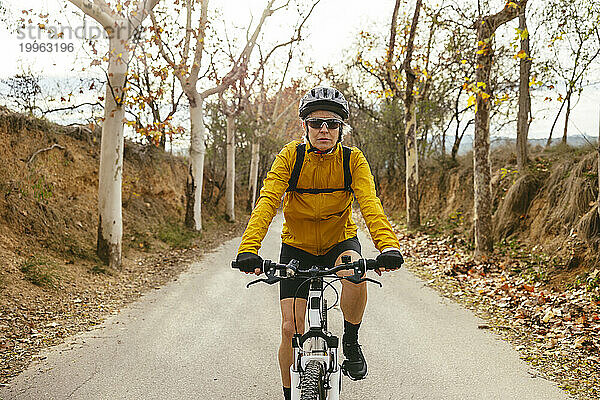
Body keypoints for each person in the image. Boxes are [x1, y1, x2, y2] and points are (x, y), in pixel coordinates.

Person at [235, 86, 404, 400]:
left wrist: (388, 246)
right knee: (290, 330)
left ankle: (351, 341)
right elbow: (268, 200)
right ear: (305, 127)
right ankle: (290, 394)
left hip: (339, 241)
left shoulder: (353, 160)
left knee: (353, 270)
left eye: (332, 123)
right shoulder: (291, 156)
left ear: (341, 128)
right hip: (297, 246)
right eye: (316, 123)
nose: (324, 129)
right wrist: (249, 248)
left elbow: (370, 203)